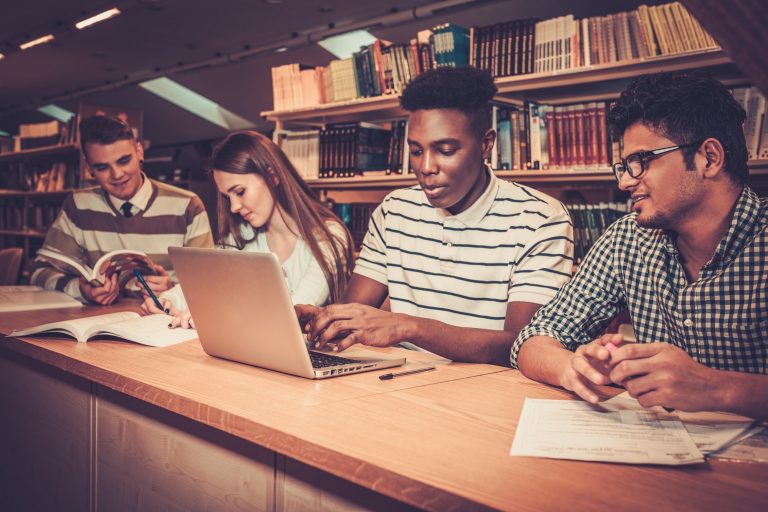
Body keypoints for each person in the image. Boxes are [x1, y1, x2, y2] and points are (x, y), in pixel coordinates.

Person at [511, 72, 768, 420]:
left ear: (709, 157)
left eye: (641, 162)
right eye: (624, 166)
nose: (624, 182)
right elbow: (533, 339)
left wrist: (714, 387)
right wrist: (573, 366)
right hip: (659, 452)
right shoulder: (628, 237)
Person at [296, 67, 574, 365]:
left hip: (490, 392)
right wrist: (328, 321)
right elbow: (355, 312)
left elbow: (522, 344)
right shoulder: (394, 211)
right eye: (416, 151)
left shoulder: (541, 219)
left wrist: (408, 326)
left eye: (445, 150)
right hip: (401, 383)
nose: (426, 166)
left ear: (486, 144)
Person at [141, 130, 354, 328]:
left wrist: (217, 314)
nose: (233, 207)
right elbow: (207, 283)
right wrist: (166, 300)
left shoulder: (330, 236)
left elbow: (295, 309)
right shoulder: (242, 235)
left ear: (272, 176)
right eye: (227, 197)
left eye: (240, 192)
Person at [30, 115, 214, 305]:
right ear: (88, 167)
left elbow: (210, 283)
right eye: (102, 167)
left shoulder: (188, 206)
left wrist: (173, 291)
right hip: (102, 322)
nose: (116, 175)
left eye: (124, 160)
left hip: (165, 323)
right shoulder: (78, 206)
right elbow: (39, 271)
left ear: (139, 152)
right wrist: (81, 289)